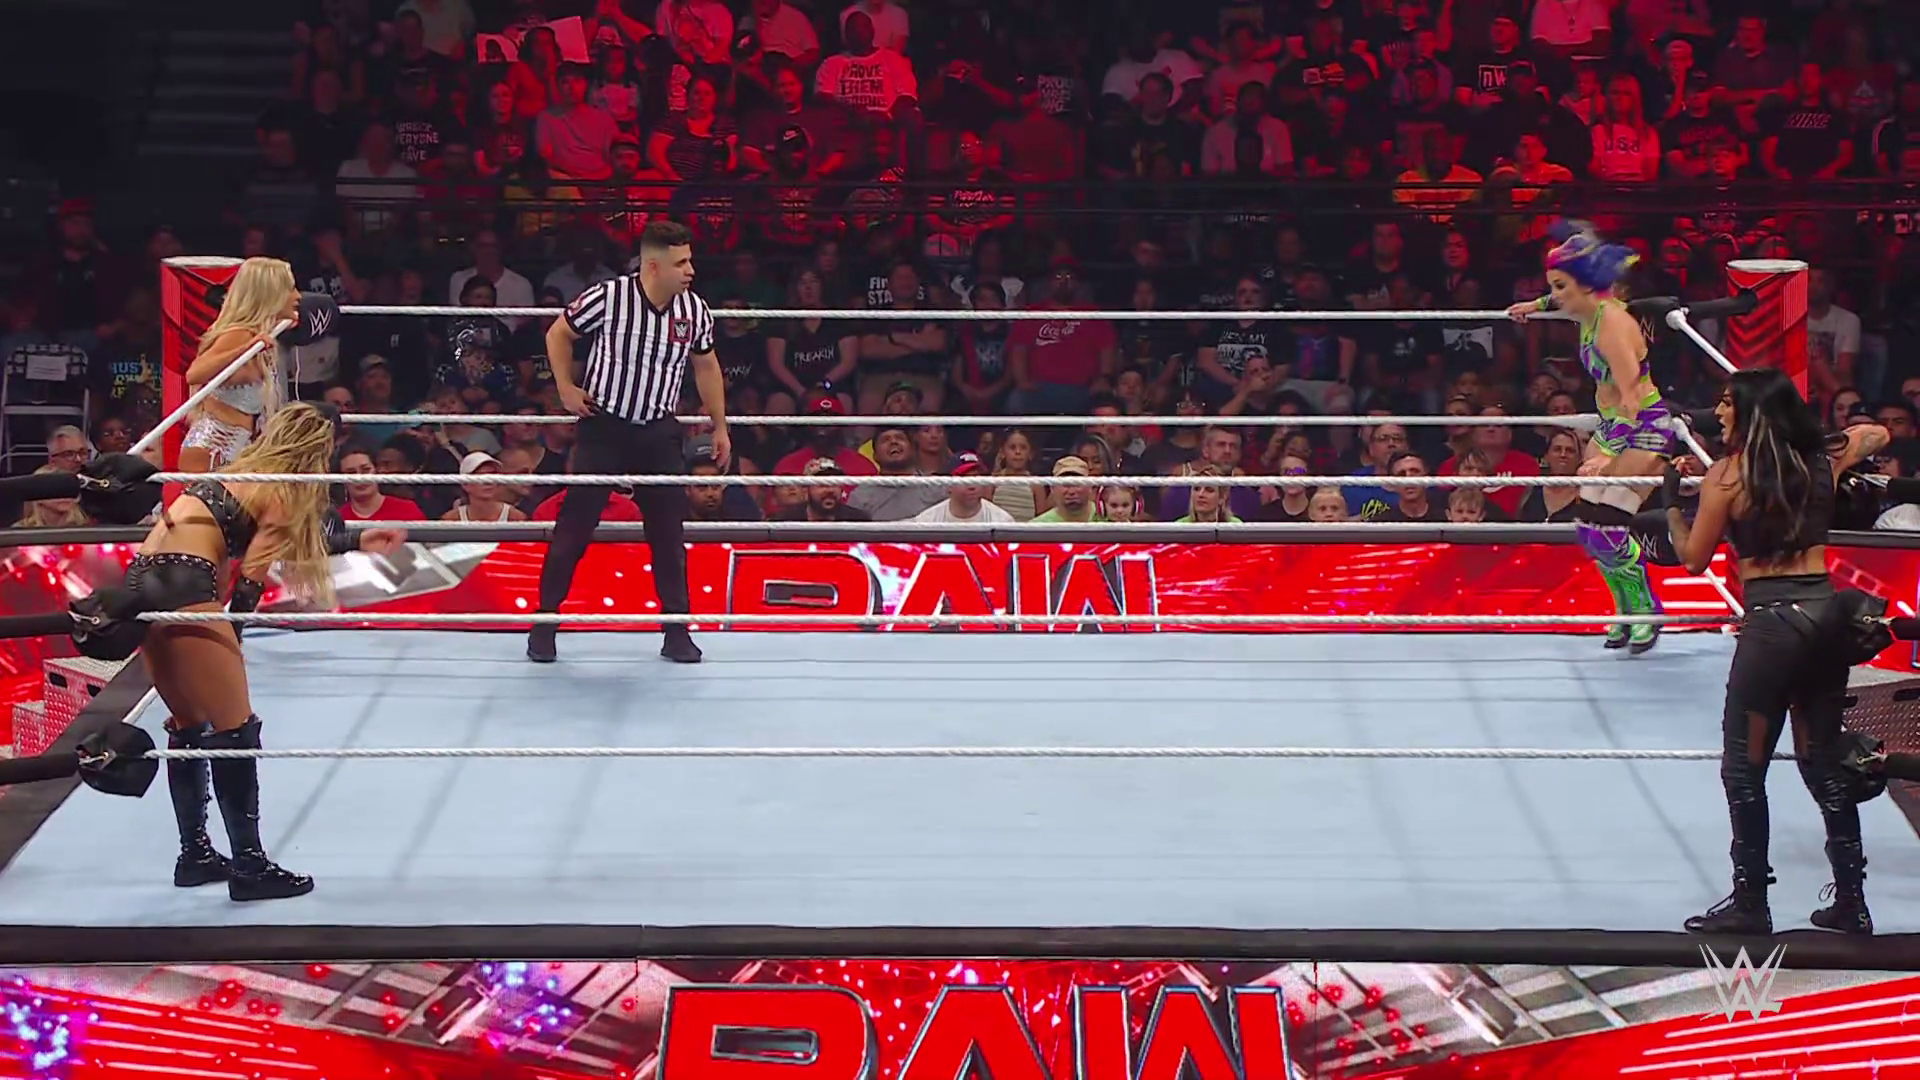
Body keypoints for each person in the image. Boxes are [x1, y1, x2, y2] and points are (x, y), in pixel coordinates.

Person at [76, 403, 405, 901]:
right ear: (321, 449)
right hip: (187, 584)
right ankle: (250, 866)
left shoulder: (239, 475)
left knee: (188, 726)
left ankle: (194, 855)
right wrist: (233, 637)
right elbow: (251, 577)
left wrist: (356, 539)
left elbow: (286, 541)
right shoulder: (285, 488)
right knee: (235, 730)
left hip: (143, 578)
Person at [1665, 369, 1888, 936]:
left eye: (1727, 403)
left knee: (1744, 769)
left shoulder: (1728, 476)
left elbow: (1692, 558)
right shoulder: (1819, 462)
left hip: (1772, 625)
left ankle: (1751, 902)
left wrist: (1670, 508)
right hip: (1825, 616)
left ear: (1752, 412)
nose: (1719, 412)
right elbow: (1876, 434)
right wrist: (1827, 441)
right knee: (1822, 761)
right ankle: (1852, 902)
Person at [528, 221, 728, 665]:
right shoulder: (609, 297)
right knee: (574, 527)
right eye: (681, 263)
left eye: (690, 260)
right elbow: (558, 333)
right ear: (654, 266)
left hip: (658, 429)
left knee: (668, 533)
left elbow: (707, 366)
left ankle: (676, 631)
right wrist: (565, 388)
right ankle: (544, 624)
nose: (690, 270)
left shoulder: (694, 310)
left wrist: (720, 426)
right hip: (605, 426)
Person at [1507, 222, 1671, 653]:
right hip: (1613, 426)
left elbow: (1632, 396)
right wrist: (1534, 305)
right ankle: (1624, 611)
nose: (1555, 296)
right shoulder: (1589, 309)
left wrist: (1608, 457)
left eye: (1560, 286)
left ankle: (1647, 611)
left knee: (1610, 525)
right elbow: (1559, 299)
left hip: (1644, 429)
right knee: (1588, 528)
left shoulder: (1612, 325)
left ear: (1585, 286)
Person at [180, 258, 299, 472]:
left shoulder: (265, 335)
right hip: (213, 446)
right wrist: (244, 349)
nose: (298, 296)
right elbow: (194, 374)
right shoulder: (240, 334)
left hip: (239, 447)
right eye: (291, 289)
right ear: (272, 295)